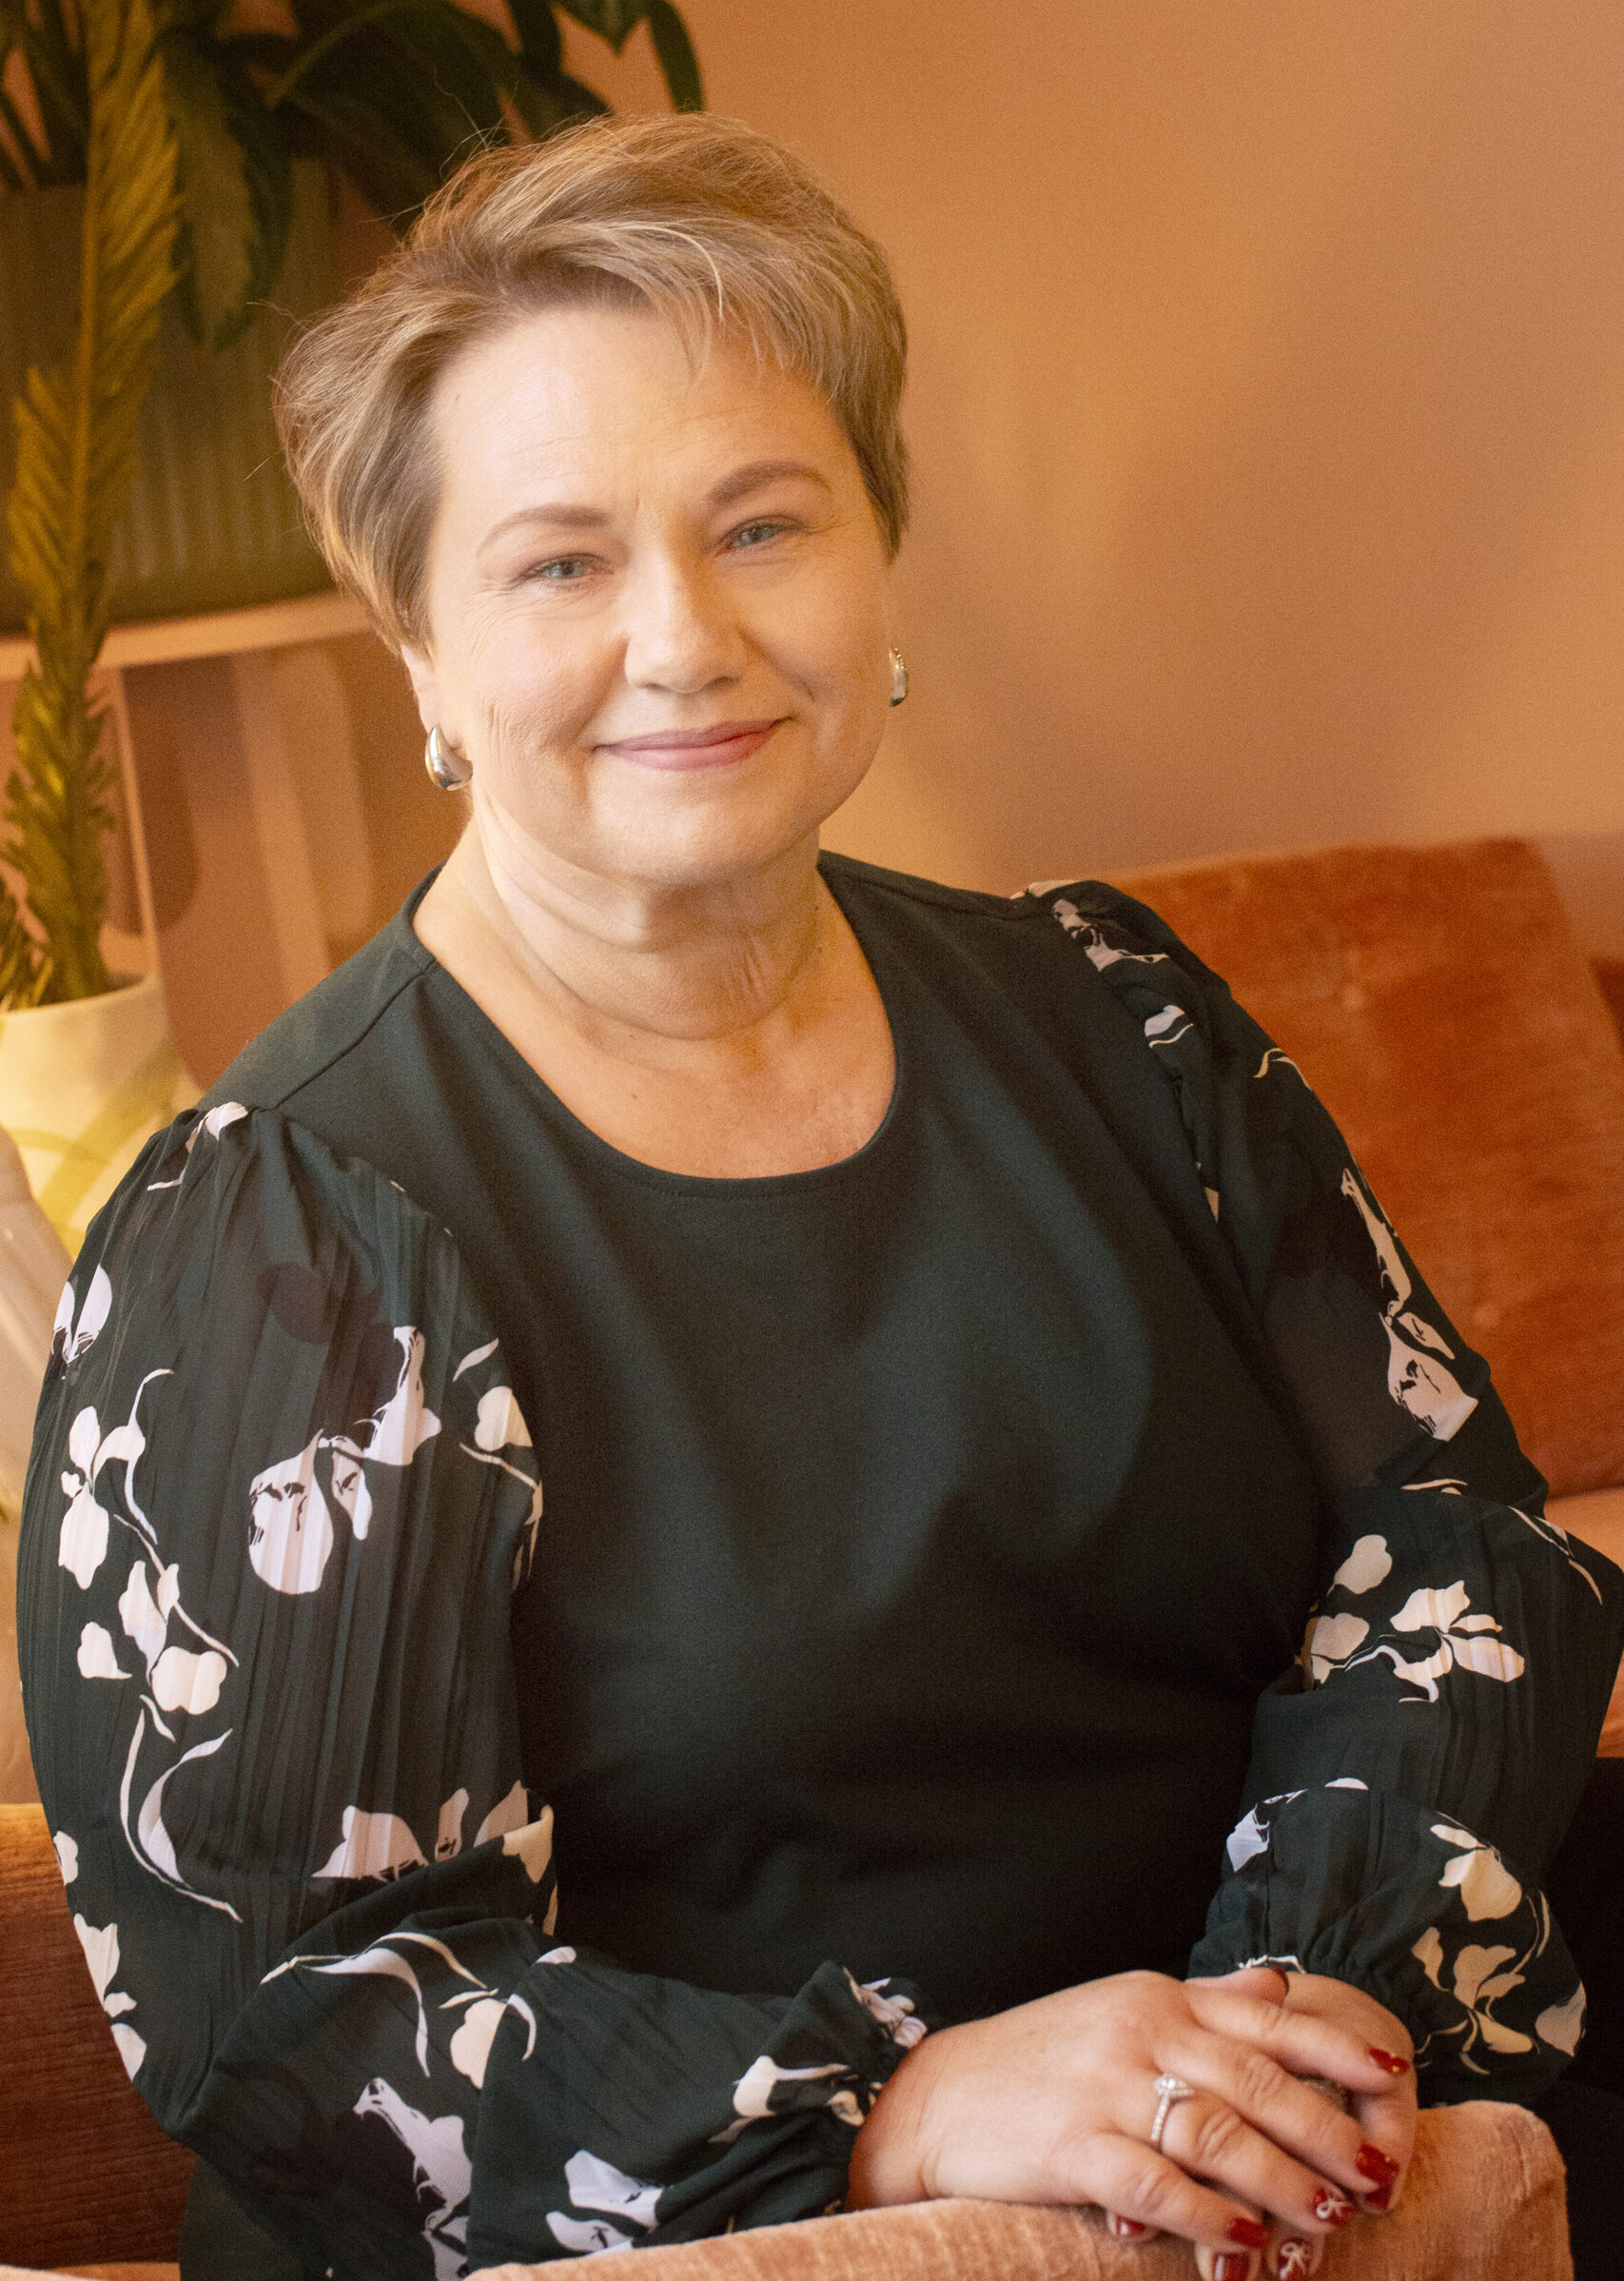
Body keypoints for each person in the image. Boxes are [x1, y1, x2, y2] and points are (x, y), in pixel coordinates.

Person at [17, 114, 1624, 2281]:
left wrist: (1269, 2039)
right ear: (418, 653)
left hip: (1300, 2156)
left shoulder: (1122, 1018)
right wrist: (911, 2105)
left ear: (879, 559)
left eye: (761, 524)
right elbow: (303, 2013)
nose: (685, 638)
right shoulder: (284, 1236)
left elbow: (1460, 1542)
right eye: (559, 563)